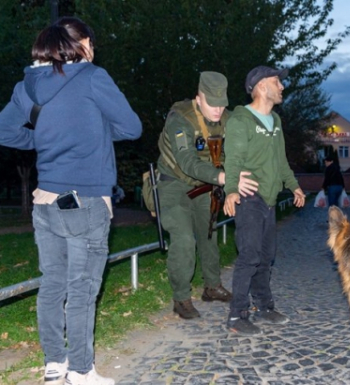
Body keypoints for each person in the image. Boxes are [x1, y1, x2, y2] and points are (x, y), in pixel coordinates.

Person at [0, 17, 142, 385]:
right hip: (86, 201)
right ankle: (81, 370)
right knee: (82, 288)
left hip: (45, 200)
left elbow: (5, 130)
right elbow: (131, 127)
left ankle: (55, 364)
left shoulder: (26, 85)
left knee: (53, 284)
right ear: (81, 46)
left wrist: (43, 138)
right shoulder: (92, 77)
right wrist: (89, 130)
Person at [156, 71, 257, 320]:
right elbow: (187, 162)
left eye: (222, 104)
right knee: (184, 240)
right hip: (174, 185)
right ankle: (181, 298)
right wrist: (225, 178)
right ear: (199, 98)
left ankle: (211, 287)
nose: (217, 110)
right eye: (212, 104)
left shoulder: (227, 118)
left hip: (205, 186)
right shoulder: (180, 119)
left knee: (209, 234)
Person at [223, 65, 305, 335]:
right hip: (250, 197)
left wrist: (294, 186)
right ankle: (237, 315)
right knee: (249, 255)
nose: (282, 86)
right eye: (276, 81)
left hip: (269, 198)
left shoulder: (276, 122)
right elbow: (233, 159)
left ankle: (264, 307)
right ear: (260, 87)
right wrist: (231, 190)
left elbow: (281, 161)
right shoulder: (241, 120)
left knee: (266, 256)